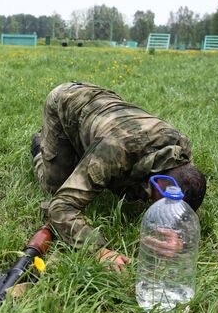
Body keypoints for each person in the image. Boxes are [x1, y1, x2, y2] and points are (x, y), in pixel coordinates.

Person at [31, 82, 206, 272]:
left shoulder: (181, 153)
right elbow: (61, 207)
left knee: (122, 184)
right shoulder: (113, 153)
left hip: (106, 113)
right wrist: (99, 251)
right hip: (66, 101)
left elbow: (185, 196)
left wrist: (181, 233)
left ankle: (80, 152)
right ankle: (40, 149)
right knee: (54, 188)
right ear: (161, 183)